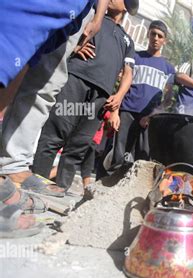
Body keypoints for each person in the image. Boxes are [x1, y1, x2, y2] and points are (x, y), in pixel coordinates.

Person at [0, 0, 137, 197]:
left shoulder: (126, 39)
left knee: (78, 142)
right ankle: (35, 173)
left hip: (100, 95)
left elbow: (128, 73)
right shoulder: (93, 18)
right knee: (54, 134)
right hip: (76, 80)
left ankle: (51, 182)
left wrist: (117, 102)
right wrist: (78, 46)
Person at [99, 23, 193, 176]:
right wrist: (115, 110)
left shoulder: (170, 67)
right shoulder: (137, 57)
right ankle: (103, 186)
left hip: (152, 118)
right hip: (129, 111)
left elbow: (167, 99)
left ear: (165, 40)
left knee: (143, 157)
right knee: (117, 152)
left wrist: (153, 115)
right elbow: (179, 76)